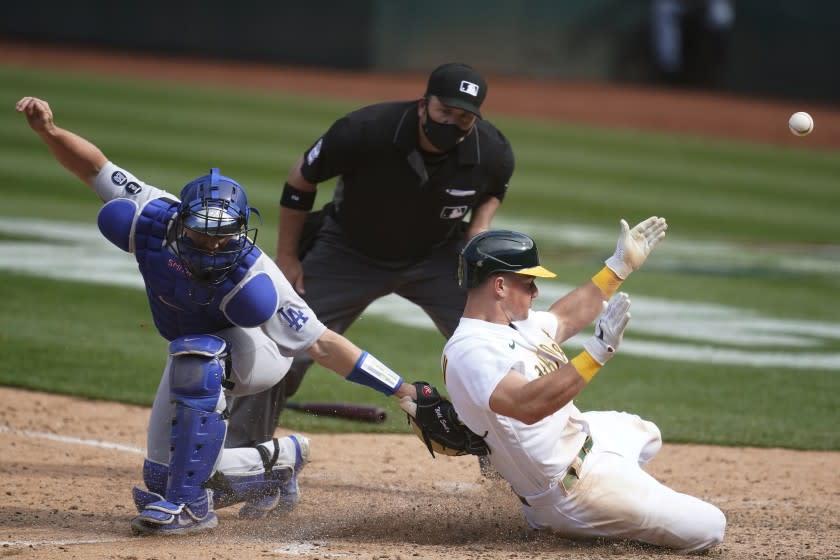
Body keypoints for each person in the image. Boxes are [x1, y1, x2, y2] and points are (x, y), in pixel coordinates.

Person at [15, 96, 431, 536]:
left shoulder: (254, 272)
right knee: (161, 473)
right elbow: (93, 168)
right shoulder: (153, 216)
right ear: (180, 222)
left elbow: (323, 343)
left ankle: (191, 506)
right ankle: (280, 463)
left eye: (224, 237)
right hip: (193, 353)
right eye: (201, 235)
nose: (213, 247)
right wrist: (48, 131)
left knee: (199, 361)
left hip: (259, 352)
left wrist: (402, 389)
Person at [226, 62, 515, 451]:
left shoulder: (490, 150)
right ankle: (241, 456)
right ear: (423, 104)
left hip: (437, 257)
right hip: (348, 252)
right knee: (285, 346)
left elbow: (495, 186)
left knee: (498, 348)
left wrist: (479, 228)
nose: (452, 123)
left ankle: (508, 468)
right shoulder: (365, 131)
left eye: (463, 117)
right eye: (444, 111)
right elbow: (300, 181)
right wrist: (288, 257)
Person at [441, 220, 727, 553]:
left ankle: (625, 490)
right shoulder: (471, 351)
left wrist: (618, 266)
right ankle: (584, 519)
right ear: (500, 286)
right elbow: (526, 404)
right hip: (571, 492)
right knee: (710, 527)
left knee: (644, 432)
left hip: (587, 443)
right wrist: (596, 353)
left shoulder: (515, 324)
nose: (535, 292)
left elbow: (564, 317)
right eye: (529, 283)